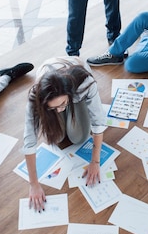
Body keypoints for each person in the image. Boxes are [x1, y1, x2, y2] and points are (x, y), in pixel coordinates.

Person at [23, 56, 107, 211]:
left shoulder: (85, 84)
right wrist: (33, 184)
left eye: (62, 105)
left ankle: (64, 105)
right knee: (57, 138)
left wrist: (95, 162)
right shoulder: (35, 96)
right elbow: (29, 140)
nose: (60, 110)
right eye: (53, 108)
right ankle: (57, 105)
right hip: (54, 90)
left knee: (78, 137)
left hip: (76, 91)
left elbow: (99, 122)